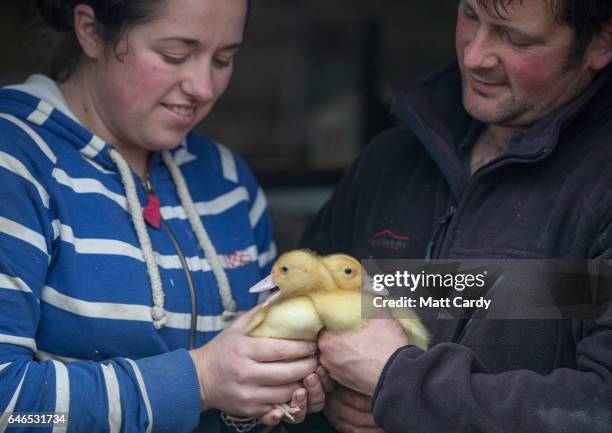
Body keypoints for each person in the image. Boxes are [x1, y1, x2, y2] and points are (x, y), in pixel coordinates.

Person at [0, 1, 327, 432]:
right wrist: (200, 381)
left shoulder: (228, 182)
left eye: (224, 59)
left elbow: (240, 389)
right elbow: (10, 410)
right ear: (91, 32)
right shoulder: (17, 164)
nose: (204, 87)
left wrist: (271, 391)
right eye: (175, 55)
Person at [300, 0, 612, 432]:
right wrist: (320, 394)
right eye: (469, 16)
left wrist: (399, 383)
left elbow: (599, 409)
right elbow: (293, 311)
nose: (473, 56)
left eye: (514, 37)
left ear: (600, 42)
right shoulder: (390, 159)